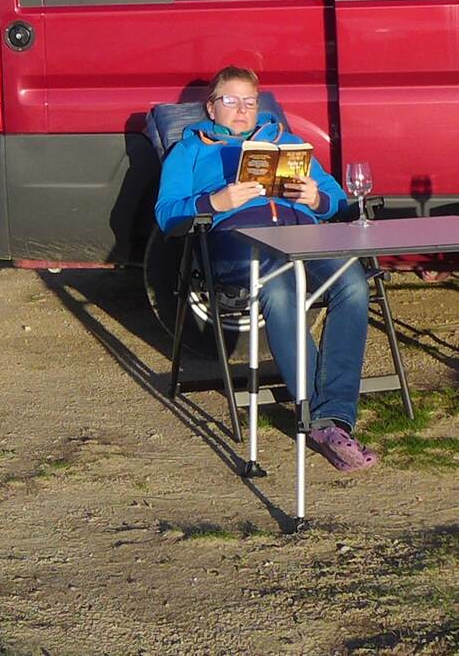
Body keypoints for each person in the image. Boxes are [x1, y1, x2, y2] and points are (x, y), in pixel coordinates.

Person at [155, 64, 378, 472]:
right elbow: (167, 215)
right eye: (231, 100)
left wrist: (315, 199)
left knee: (352, 283)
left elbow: (336, 199)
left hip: (301, 235)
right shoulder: (189, 150)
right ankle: (325, 422)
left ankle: (330, 418)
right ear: (211, 107)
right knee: (278, 286)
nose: (242, 110)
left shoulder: (286, 142)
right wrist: (215, 202)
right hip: (237, 241)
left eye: (250, 102)